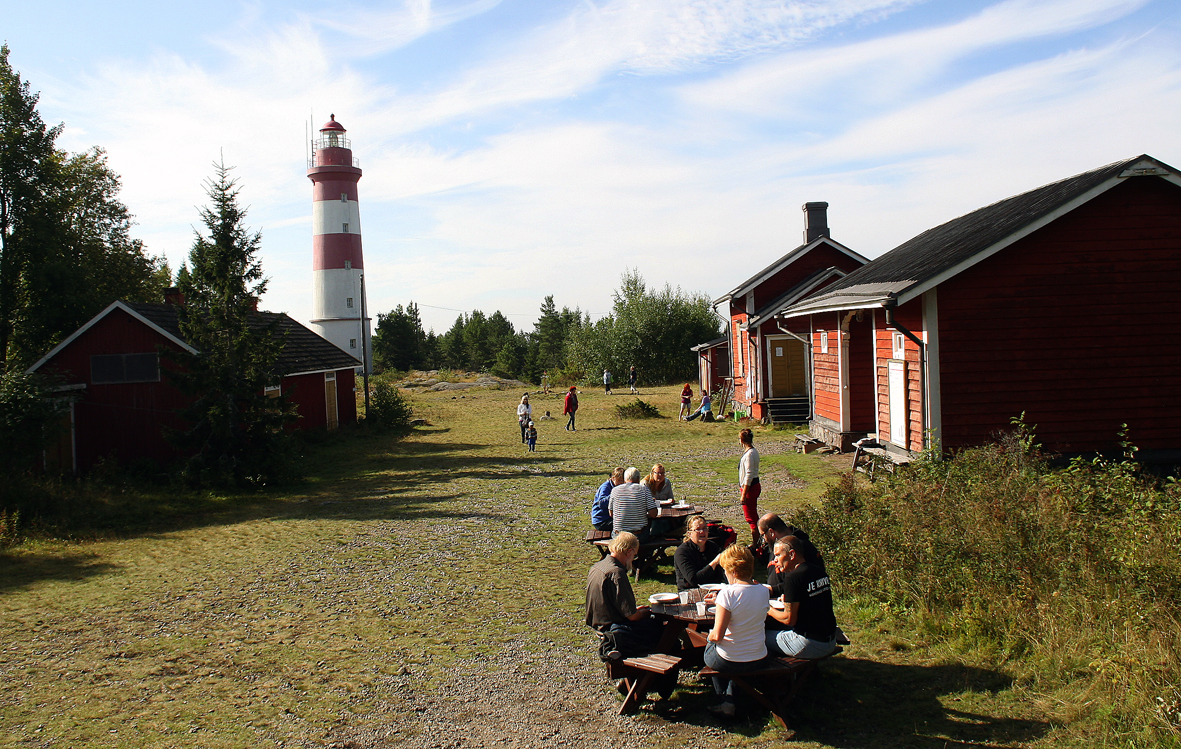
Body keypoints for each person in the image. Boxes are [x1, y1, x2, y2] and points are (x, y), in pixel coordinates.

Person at [704, 544, 770, 716]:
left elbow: (717, 635)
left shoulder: (727, 593)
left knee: (709, 647)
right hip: (759, 656)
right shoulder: (763, 591)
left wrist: (708, 636)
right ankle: (732, 695)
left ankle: (724, 701)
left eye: (725, 570)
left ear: (732, 571)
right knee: (732, 651)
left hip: (731, 659)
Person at [585, 532, 663, 657]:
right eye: (634, 556)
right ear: (629, 552)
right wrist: (645, 612)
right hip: (614, 629)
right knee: (661, 628)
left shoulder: (597, 566)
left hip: (599, 623)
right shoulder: (617, 573)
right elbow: (632, 617)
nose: (633, 560)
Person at [765, 535, 838, 659]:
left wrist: (768, 609)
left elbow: (789, 619)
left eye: (777, 555)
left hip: (809, 644)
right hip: (830, 640)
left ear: (792, 554)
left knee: (758, 637)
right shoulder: (818, 571)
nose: (775, 560)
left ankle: (776, 674)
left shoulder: (793, 577)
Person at [674, 516, 726, 591]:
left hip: (713, 590)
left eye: (705, 528)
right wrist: (714, 562)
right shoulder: (682, 552)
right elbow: (694, 580)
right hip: (690, 592)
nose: (702, 532)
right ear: (689, 534)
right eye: (698, 529)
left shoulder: (712, 546)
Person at [608, 467, 657, 539]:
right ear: (638, 478)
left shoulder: (615, 490)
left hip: (618, 535)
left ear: (625, 479)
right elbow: (653, 514)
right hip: (638, 535)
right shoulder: (643, 489)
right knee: (654, 533)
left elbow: (611, 513)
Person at [738, 428, 761, 546]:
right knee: (753, 516)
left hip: (750, 488)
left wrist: (744, 494)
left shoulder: (750, 455)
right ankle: (758, 541)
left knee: (751, 518)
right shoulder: (752, 452)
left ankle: (757, 544)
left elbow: (749, 475)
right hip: (753, 486)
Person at [591, 467, 625, 532]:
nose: (621, 483)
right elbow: (601, 504)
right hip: (602, 520)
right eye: (619, 481)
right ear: (613, 478)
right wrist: (614, 494)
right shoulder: (606, 487)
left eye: (623, 481)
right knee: (624, 525)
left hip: (610, 517)